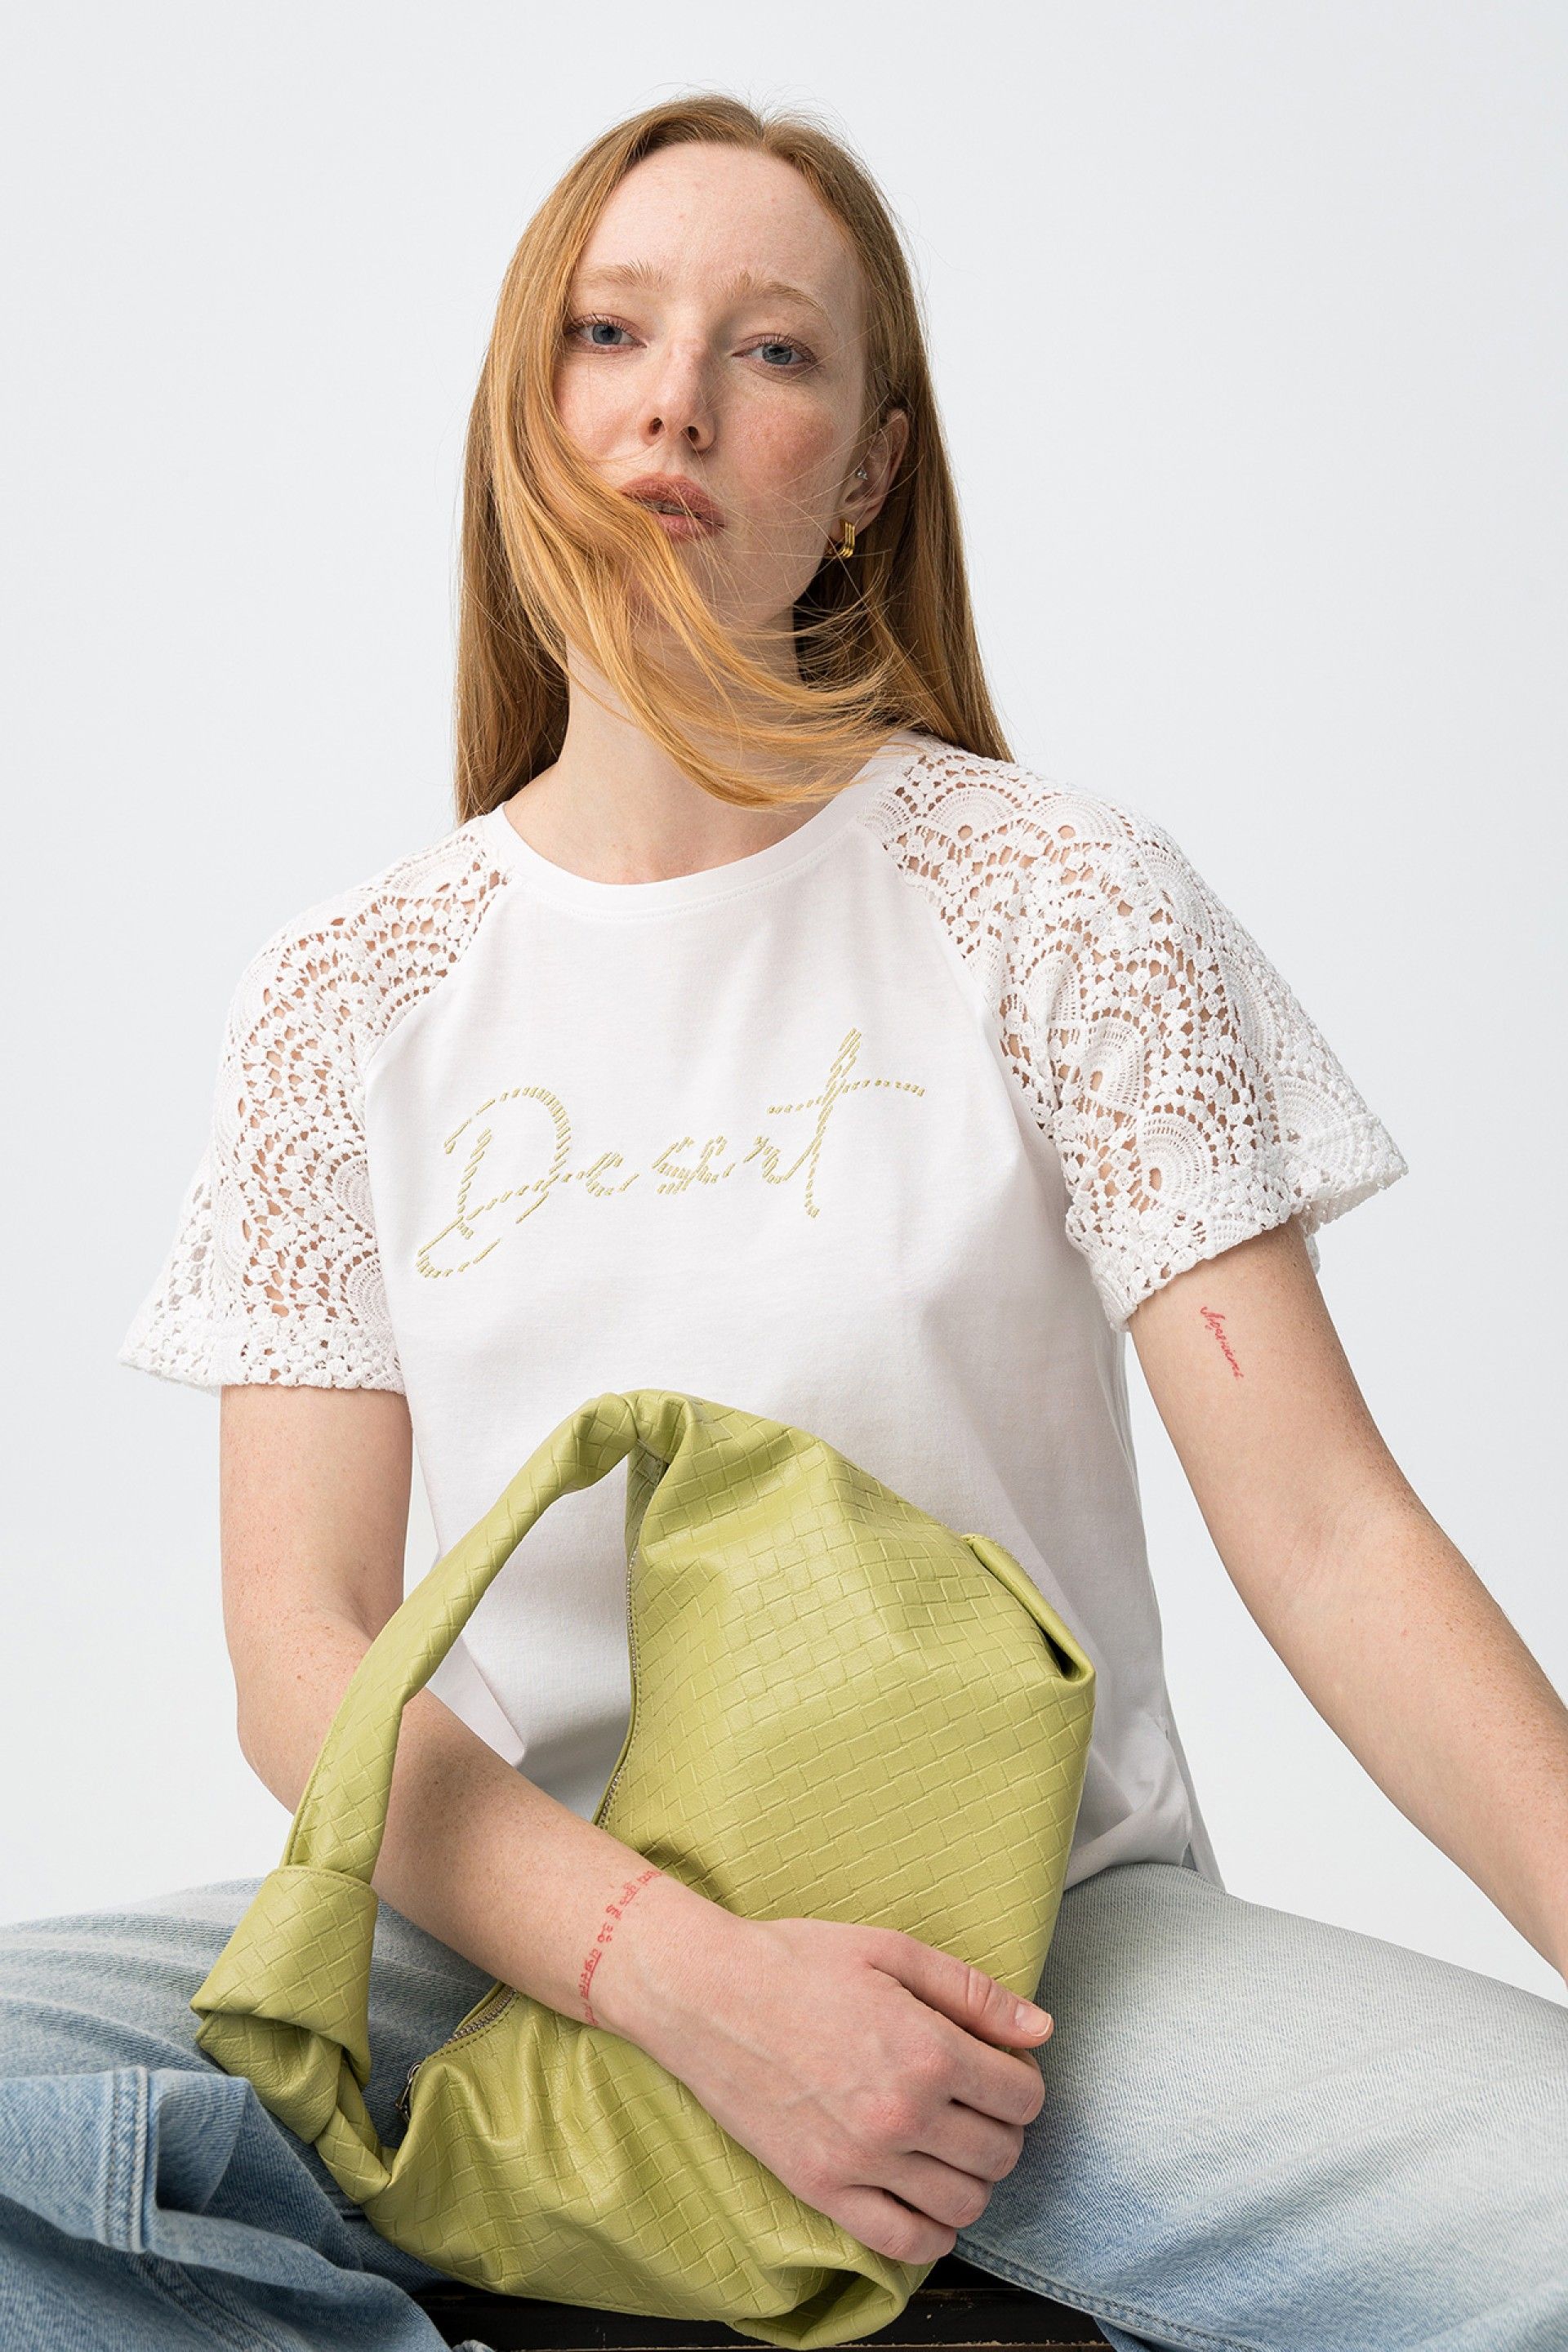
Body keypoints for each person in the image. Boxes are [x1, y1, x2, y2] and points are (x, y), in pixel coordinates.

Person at [2, 90, 1563, 2352]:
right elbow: (302, 1648)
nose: (676, 404)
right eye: (610, 332)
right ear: (525, 411)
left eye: (774, 351)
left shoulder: (1058, 902)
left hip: (1028, 1957)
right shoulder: (350, 993)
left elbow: (1328, 1536)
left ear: (868, 475)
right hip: (504, 1934)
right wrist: (683, 1980)